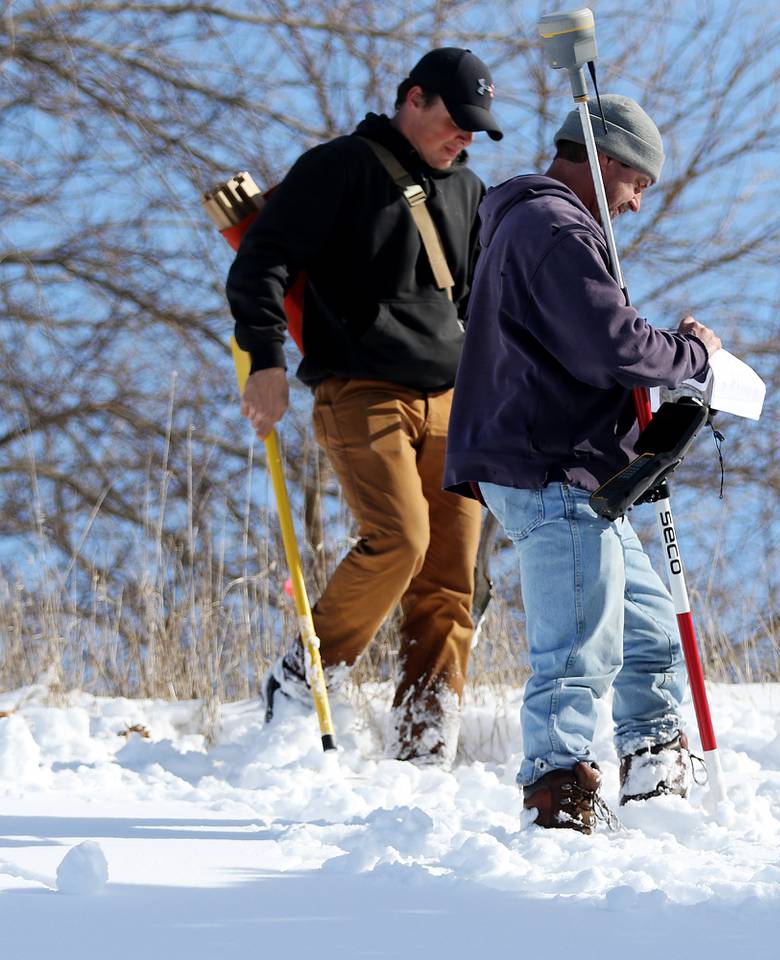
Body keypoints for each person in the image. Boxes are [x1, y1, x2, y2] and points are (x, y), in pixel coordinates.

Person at [444, 94, 721, 832]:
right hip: (550, 465)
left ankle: (657, 782)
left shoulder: (533, 225)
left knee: (648, 632)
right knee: (577, 647)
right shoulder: (553, 227)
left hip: (578, 474)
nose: (634, 205)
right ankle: (557, 798)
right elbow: (612, 344)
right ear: (605, 163)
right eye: (638, 184)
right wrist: (692, 358)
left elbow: (590, 341)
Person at [227, 48, 503, 766]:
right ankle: (306, 675)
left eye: (475, 129)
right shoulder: (339, 166)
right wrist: (264, 361)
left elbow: (478, 306)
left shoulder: (469, 191)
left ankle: (424, 737)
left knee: (451, 579)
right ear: (413, 100)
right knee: (400, 539)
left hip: (452, 402)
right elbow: (261, 262)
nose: (464, 138)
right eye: (454, 121)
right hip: (362, 390)